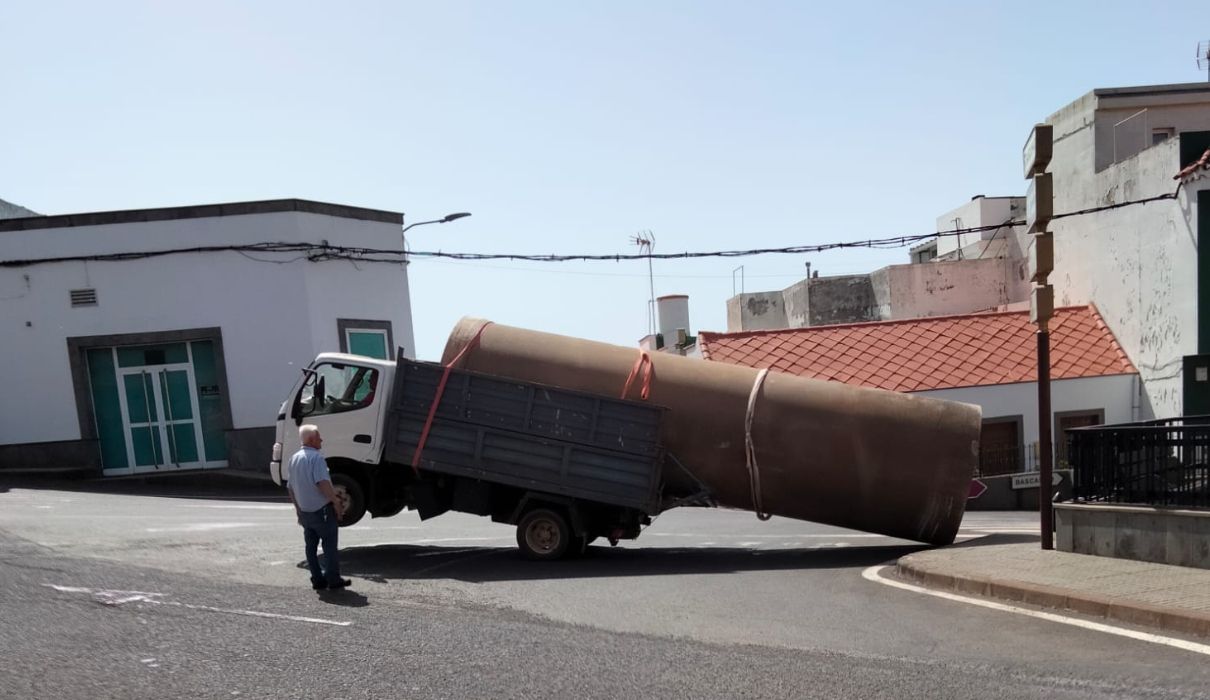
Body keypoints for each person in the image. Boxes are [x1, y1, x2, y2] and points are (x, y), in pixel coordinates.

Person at [287, 424, 351, 591]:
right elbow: (322, 483)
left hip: (305, 511)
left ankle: (317, 579)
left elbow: (290, 488)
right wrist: (336, 503)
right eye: (318, 437)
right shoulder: (316, 458)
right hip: (321, 510)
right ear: (311, 439)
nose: (321, 439)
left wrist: (298, 510)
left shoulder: (293, 459)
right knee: (329, 545)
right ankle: (333, 579)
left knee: (311, 547)